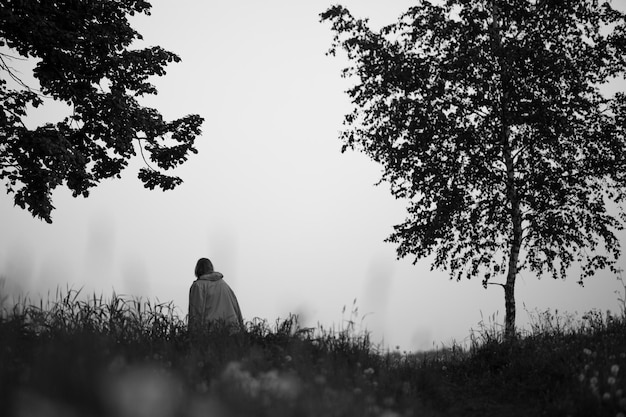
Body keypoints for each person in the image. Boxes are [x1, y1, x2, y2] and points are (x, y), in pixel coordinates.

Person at [188, 258, 243, 334]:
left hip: (211, 332)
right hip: (232, 331)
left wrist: (192, 335)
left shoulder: (198, 286)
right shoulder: (224, 285)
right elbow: (236, 308)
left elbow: (196, 313)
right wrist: (242, 330)